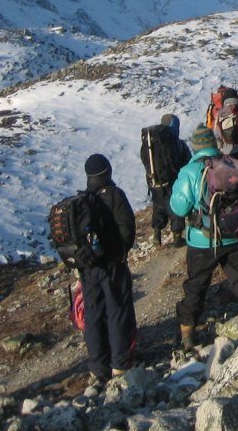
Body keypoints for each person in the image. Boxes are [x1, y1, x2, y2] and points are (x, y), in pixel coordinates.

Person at [170, 126, 238, 350]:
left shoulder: (190, 171)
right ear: (213, 144)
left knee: (196, 284)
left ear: (195, 146)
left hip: (202, 240)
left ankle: (188, 330)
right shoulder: (230, 163)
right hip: (233, 234)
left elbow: (178, 207)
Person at [81, 154, 137, 384]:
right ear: (108, 172)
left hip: (88, 268)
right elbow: (127, 226)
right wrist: (122, 250)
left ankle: (97, 367)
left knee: (93, 314)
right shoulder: (114, 195)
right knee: (117, 311)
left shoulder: (83, 200)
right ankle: (120, 364)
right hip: (112, 265)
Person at [142, 113, 191, 248]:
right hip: (172, 180)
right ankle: (177, 237)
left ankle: (157, 235)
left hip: (154, 181)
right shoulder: (176, 143)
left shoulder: (152, 144)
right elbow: (187, 161)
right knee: (174, 206)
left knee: (158, 206)